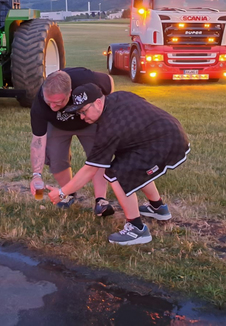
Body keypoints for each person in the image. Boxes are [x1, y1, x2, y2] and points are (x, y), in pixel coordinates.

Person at [47, 84, 190, 246]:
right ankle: (158, 208)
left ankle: (137, 229)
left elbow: (90, 170)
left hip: (167, 142)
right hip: (168, 131)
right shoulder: (118, 97)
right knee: (129, 164)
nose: (81, 117)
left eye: (83, 111)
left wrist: (62, 192)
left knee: (116, 174)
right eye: (79, 112)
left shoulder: (109, 127)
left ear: (98, 103)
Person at [30, 68, 115, 216]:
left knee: (98, 158)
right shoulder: (40, 103)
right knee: (56, 159)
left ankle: (101, 200)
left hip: (88, 122)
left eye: (57, 102)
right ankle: (67, 192)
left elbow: (109, 82)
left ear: (70, 93)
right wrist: (36, 175)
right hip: (58, 126)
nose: (52, 107)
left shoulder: (85, 79)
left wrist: (103, 111)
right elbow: (38, 140)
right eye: (48, 102)